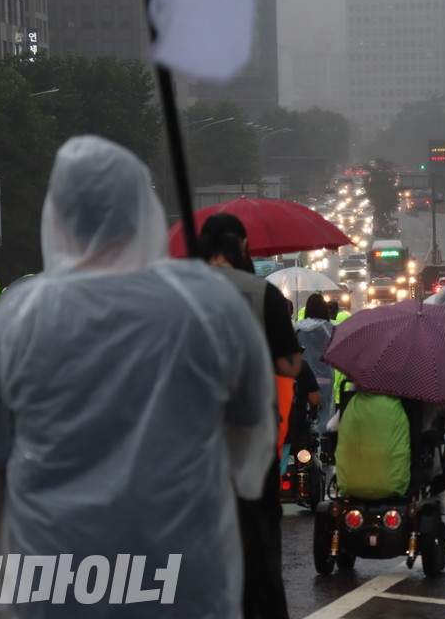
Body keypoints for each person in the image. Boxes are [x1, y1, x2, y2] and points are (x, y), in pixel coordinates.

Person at [0, 135, 276, 618]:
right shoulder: (209, 308)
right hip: (180, 573)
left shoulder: (18, 316)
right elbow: (251, 450)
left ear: (57, 219)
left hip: (52, 578)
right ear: (143, 214)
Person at [198, 213, 303, 619]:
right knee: (258, 547)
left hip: (187, 446)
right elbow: (290, 366)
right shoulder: (263, 295)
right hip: (248, 444)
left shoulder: (174, 292)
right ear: (241, 247)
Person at [295, 294, 336, 429]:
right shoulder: (328, 329)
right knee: (325, 416)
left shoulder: (297, 328)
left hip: (302, 379)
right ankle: (323, 445)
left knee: (303, 413)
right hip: (325, 378)